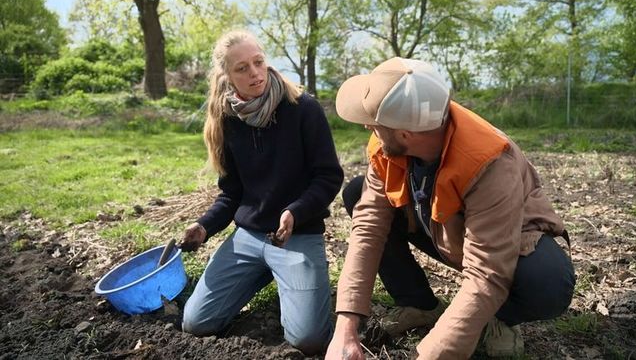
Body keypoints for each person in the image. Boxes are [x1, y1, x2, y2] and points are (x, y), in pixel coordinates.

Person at [325, 57, 575, 359]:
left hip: (506, 239)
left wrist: (428, 355)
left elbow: (487, 271)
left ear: (406, 134)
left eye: (374, 124)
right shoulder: (392, 142)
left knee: (548, 283)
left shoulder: (490, 163)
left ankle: (501, 316)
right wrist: (346, 328)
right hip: (441, 225)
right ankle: (418, 304)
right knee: (357, 193)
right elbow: (369, 227)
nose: (367, 126)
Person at [179, 30, 344, 356]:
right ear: (226, 76)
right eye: (242, 68)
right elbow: (231, 195)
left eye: (258, 62)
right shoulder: (227, 121)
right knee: (196, 324)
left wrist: (295, 212)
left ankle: (291, 278)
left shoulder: (303, 108)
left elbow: (328, 176)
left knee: (308, 340)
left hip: (297, 235)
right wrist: (203, 227)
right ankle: (264, 272)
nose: (255, 73)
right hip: (248, 238)